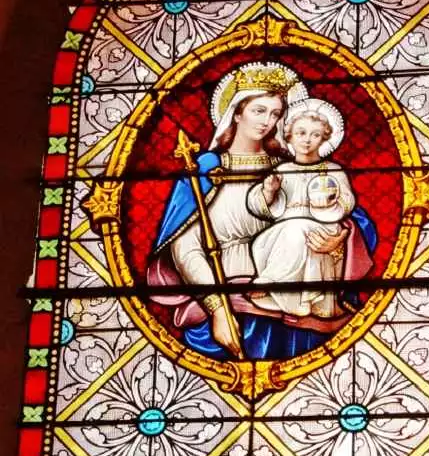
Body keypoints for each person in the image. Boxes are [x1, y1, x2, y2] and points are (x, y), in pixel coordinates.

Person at [147, 62, 376, 360]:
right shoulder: (206, 169)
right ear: (236, 112)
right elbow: (185, 248)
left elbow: (345, 214)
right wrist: (218, 309)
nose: (268, 121)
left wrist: (339, 240)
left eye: (276, 113)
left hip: (295, 300)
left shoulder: (289, 168)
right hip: (226, 296)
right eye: (259, 110)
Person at [247, 100, 361, 318]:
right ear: (289, 136)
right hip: (284, 232)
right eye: (301, 133)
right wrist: (269, 191)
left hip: (323, 227)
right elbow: (258, 205)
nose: (307, 139)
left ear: (324, 138)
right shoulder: (282, 170)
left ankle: (270, 281)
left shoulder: (333, 170)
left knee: (297, 230)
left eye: (315, 134)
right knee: (270, 240)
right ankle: (295, 300)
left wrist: (330, 202)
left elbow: (347, 202)